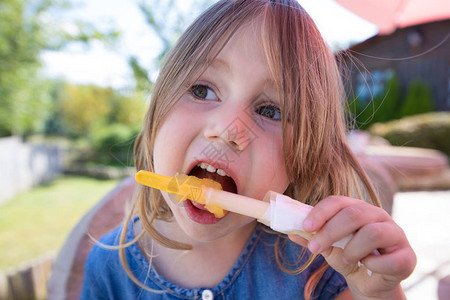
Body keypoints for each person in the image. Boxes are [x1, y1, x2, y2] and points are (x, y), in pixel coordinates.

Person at [80, 0, 416, 299]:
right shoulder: (109, 267)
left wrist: (379, 294)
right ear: (157, 110)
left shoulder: (324, 268)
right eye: (201, 89)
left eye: (270, 111)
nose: (228, 131)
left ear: (304, 159)